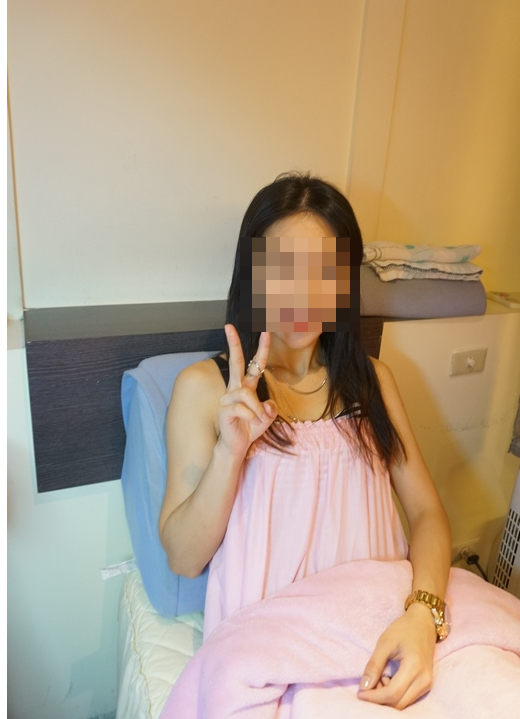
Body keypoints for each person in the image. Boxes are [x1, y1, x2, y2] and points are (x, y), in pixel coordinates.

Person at [159, 173, 451, 710]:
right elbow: (183, 556)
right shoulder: (205, 388)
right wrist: (230, 452)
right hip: (273, 648)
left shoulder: (374, 381)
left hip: (388, 627)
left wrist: (422, 614)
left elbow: (428, 513)